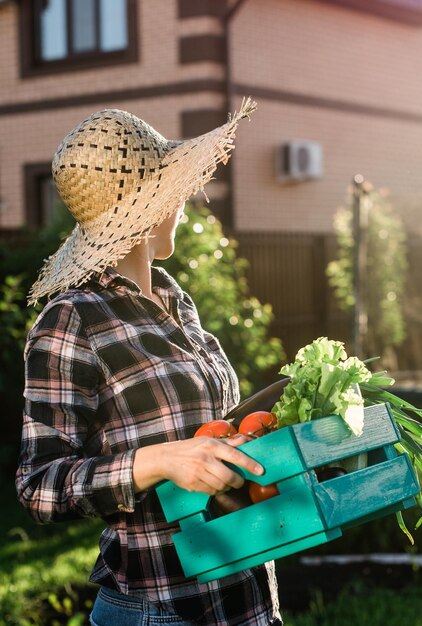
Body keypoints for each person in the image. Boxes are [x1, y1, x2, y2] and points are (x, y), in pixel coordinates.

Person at [16, 100, 282, 626]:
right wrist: (158, 461)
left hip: (246, 598)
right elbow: (39, 486)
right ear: (152, 204)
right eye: (176, 190)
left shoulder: (173, 299)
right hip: (161, 609)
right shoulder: (70, 321)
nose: (184, 203)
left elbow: (212, 434)